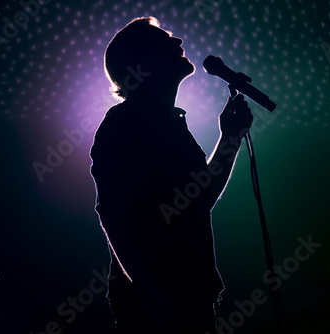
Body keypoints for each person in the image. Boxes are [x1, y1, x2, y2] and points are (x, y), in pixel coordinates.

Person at [90, 16, 253, 333]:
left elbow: (196, 200)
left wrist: (230, 138)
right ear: (138, 63)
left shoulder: (170, 124)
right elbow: (115, 217)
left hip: (190, 298)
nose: (177, 41)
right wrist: (156, 300)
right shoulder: (124, 124)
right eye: (162, 39)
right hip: (157, 307)